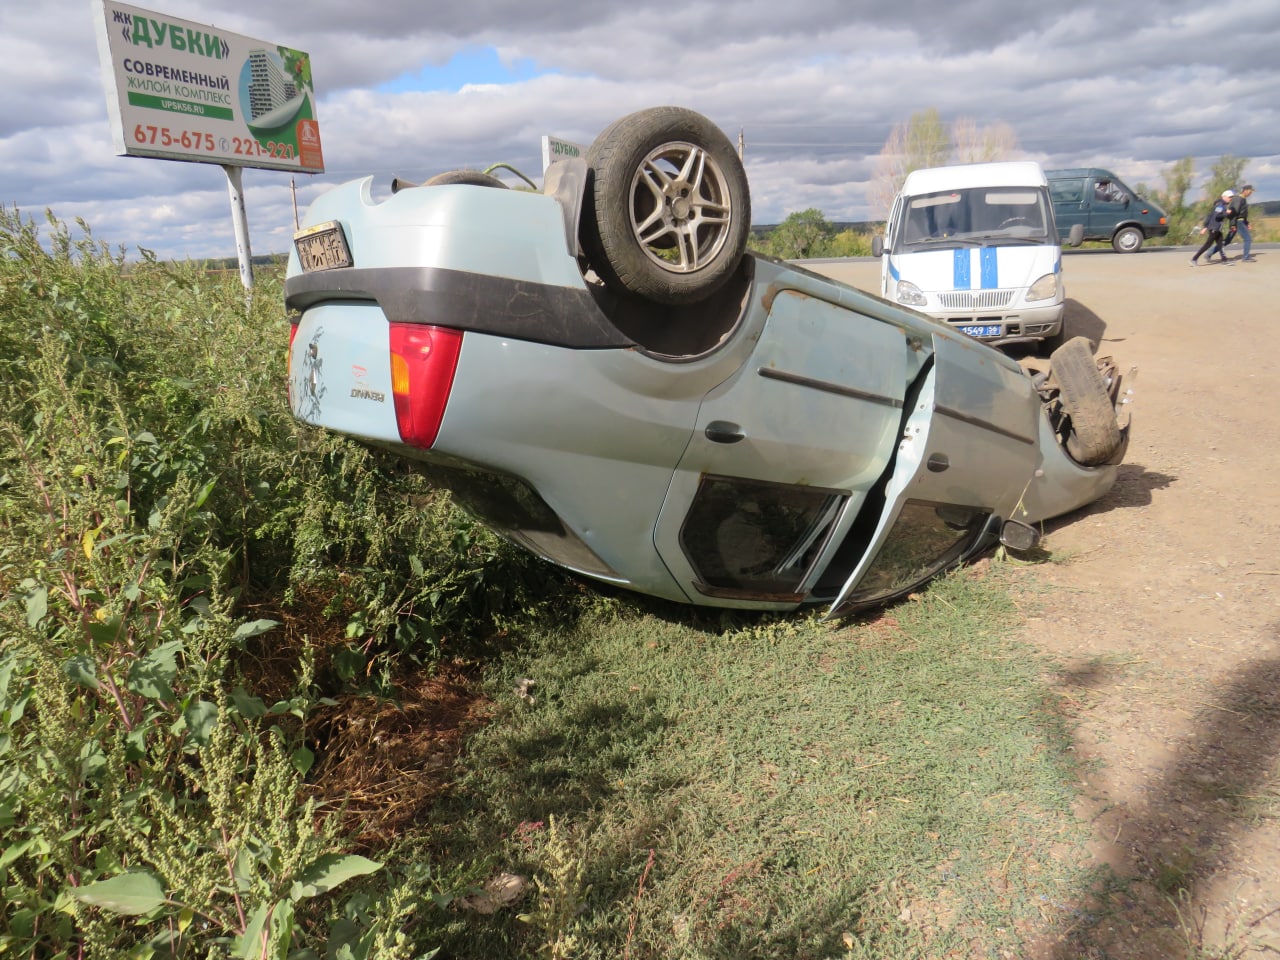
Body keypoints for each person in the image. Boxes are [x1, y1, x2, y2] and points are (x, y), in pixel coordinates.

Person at [1190, 190, 1233, 266]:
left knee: (1220, 244)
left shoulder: (1221, 204)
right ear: (1224, 197)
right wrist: (1226, 213)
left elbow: (1210, 216)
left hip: (1216, 228)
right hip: (1214, 228)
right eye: (1230, 197)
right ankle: (1194, 259)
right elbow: (1217, 216)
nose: (1231, 198)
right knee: (1208, 244)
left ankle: (1224, 260)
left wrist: (1206, 227)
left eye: (1231, 197)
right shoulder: (1220, 205)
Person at [1227, 184, 1255, 262]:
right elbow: (1234, 213)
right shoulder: (1238, 199)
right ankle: (1245, 258)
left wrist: (1247, 222)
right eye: (1250, 191)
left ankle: (1209, 253)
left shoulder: (1242, 199)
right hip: (1238, 222)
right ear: (1245, 190)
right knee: (1248, 239)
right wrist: (1233, 224)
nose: (1251, 193)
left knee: (1227, 241)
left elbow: (1242, 214)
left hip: (1240, 221)